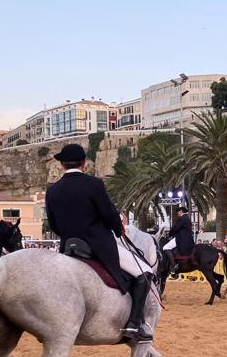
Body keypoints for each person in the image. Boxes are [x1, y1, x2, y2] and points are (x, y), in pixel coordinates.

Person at [44, 143, 154, 343]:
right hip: (98, 246)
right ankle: (134, 323)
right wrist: (116, 227)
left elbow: (53, 225)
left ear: (62, 165)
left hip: (68, 246)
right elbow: (109, 213)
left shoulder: (52, 190)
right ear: (84, 163)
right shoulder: (94, 184)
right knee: (144, 272)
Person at [166, 206, 195, 277]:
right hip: (188, 239)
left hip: (181, 239)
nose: (177, 213)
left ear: (181, 211)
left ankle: (173, 266)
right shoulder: (187, 218)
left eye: (178, 211)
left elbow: (176, 228)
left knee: (165, 247)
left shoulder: (182, 218)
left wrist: (169, 234)